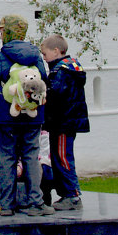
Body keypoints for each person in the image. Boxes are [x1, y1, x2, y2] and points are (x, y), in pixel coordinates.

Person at [0, 14, 54, 216]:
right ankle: (36, 202)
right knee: (32, 157)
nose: (0, 36)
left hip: (7, 116)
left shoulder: (1, 57)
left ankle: (7, 205)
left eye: (2, 31)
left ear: (8, 32)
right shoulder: (36, 56)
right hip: (33, 116)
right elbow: (44, 83)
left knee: (7, 158)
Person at [40, 34, 90, 210]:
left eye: (45, 54)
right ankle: (65, 194)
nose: (44, 58)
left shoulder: (62, 71)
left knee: (63, 157)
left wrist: (41, 91)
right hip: (64, 121)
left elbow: (55, 94)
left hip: (63, 122)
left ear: (56, 51)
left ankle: (73, 195)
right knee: (58, 157)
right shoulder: (70, 68)